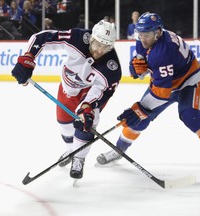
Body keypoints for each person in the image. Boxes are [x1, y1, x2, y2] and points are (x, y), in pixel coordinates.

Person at [96, 12, 200, 182]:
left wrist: (139, 109)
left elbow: (162, 94)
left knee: (190, 116)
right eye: (140, 34)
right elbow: (140, 61)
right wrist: (136, 68)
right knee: (139, 119)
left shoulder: (163, 52)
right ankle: (118, 150)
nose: (143, 39)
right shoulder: (147, 36)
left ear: (158, 32)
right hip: (166, 83)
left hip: (189, 82)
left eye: (147, 35)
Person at [11, 20, 121, 179]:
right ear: (91, 37)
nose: (99, 50)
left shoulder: (112, 68)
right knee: (64, 126)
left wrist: (87, 107)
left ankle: (79, 158)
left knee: (86, 123)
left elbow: (103, 92)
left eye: (105, 47)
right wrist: (28, 56)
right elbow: (42, 38)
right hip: (67, 88)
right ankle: (71, 150)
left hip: (88, 93)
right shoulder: (77, 37)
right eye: (97, 43)